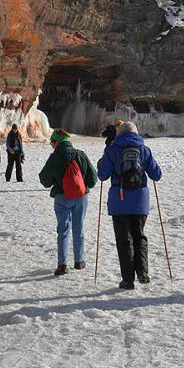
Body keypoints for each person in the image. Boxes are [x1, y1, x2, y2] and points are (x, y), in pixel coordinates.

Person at [97, 122, 163, 290]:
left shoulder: (113, 149)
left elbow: (102, 175)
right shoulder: (144, 150)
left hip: (119, 201)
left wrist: (105, 156)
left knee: (124, 240)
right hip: (140, 201)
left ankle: (128, 280)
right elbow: (157, 175)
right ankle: (143, 272)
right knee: (139, 236)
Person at [38, 129, 98, 276]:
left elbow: (44, 180)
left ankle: (62, 264)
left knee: (63, 230)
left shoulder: (54, 158)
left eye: (52, 142)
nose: (51, 145)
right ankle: (79, 261)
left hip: (62, 197)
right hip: (81, 197)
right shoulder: (81, 154)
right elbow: (93, 178)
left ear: (57, 141)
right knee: (79, 228)